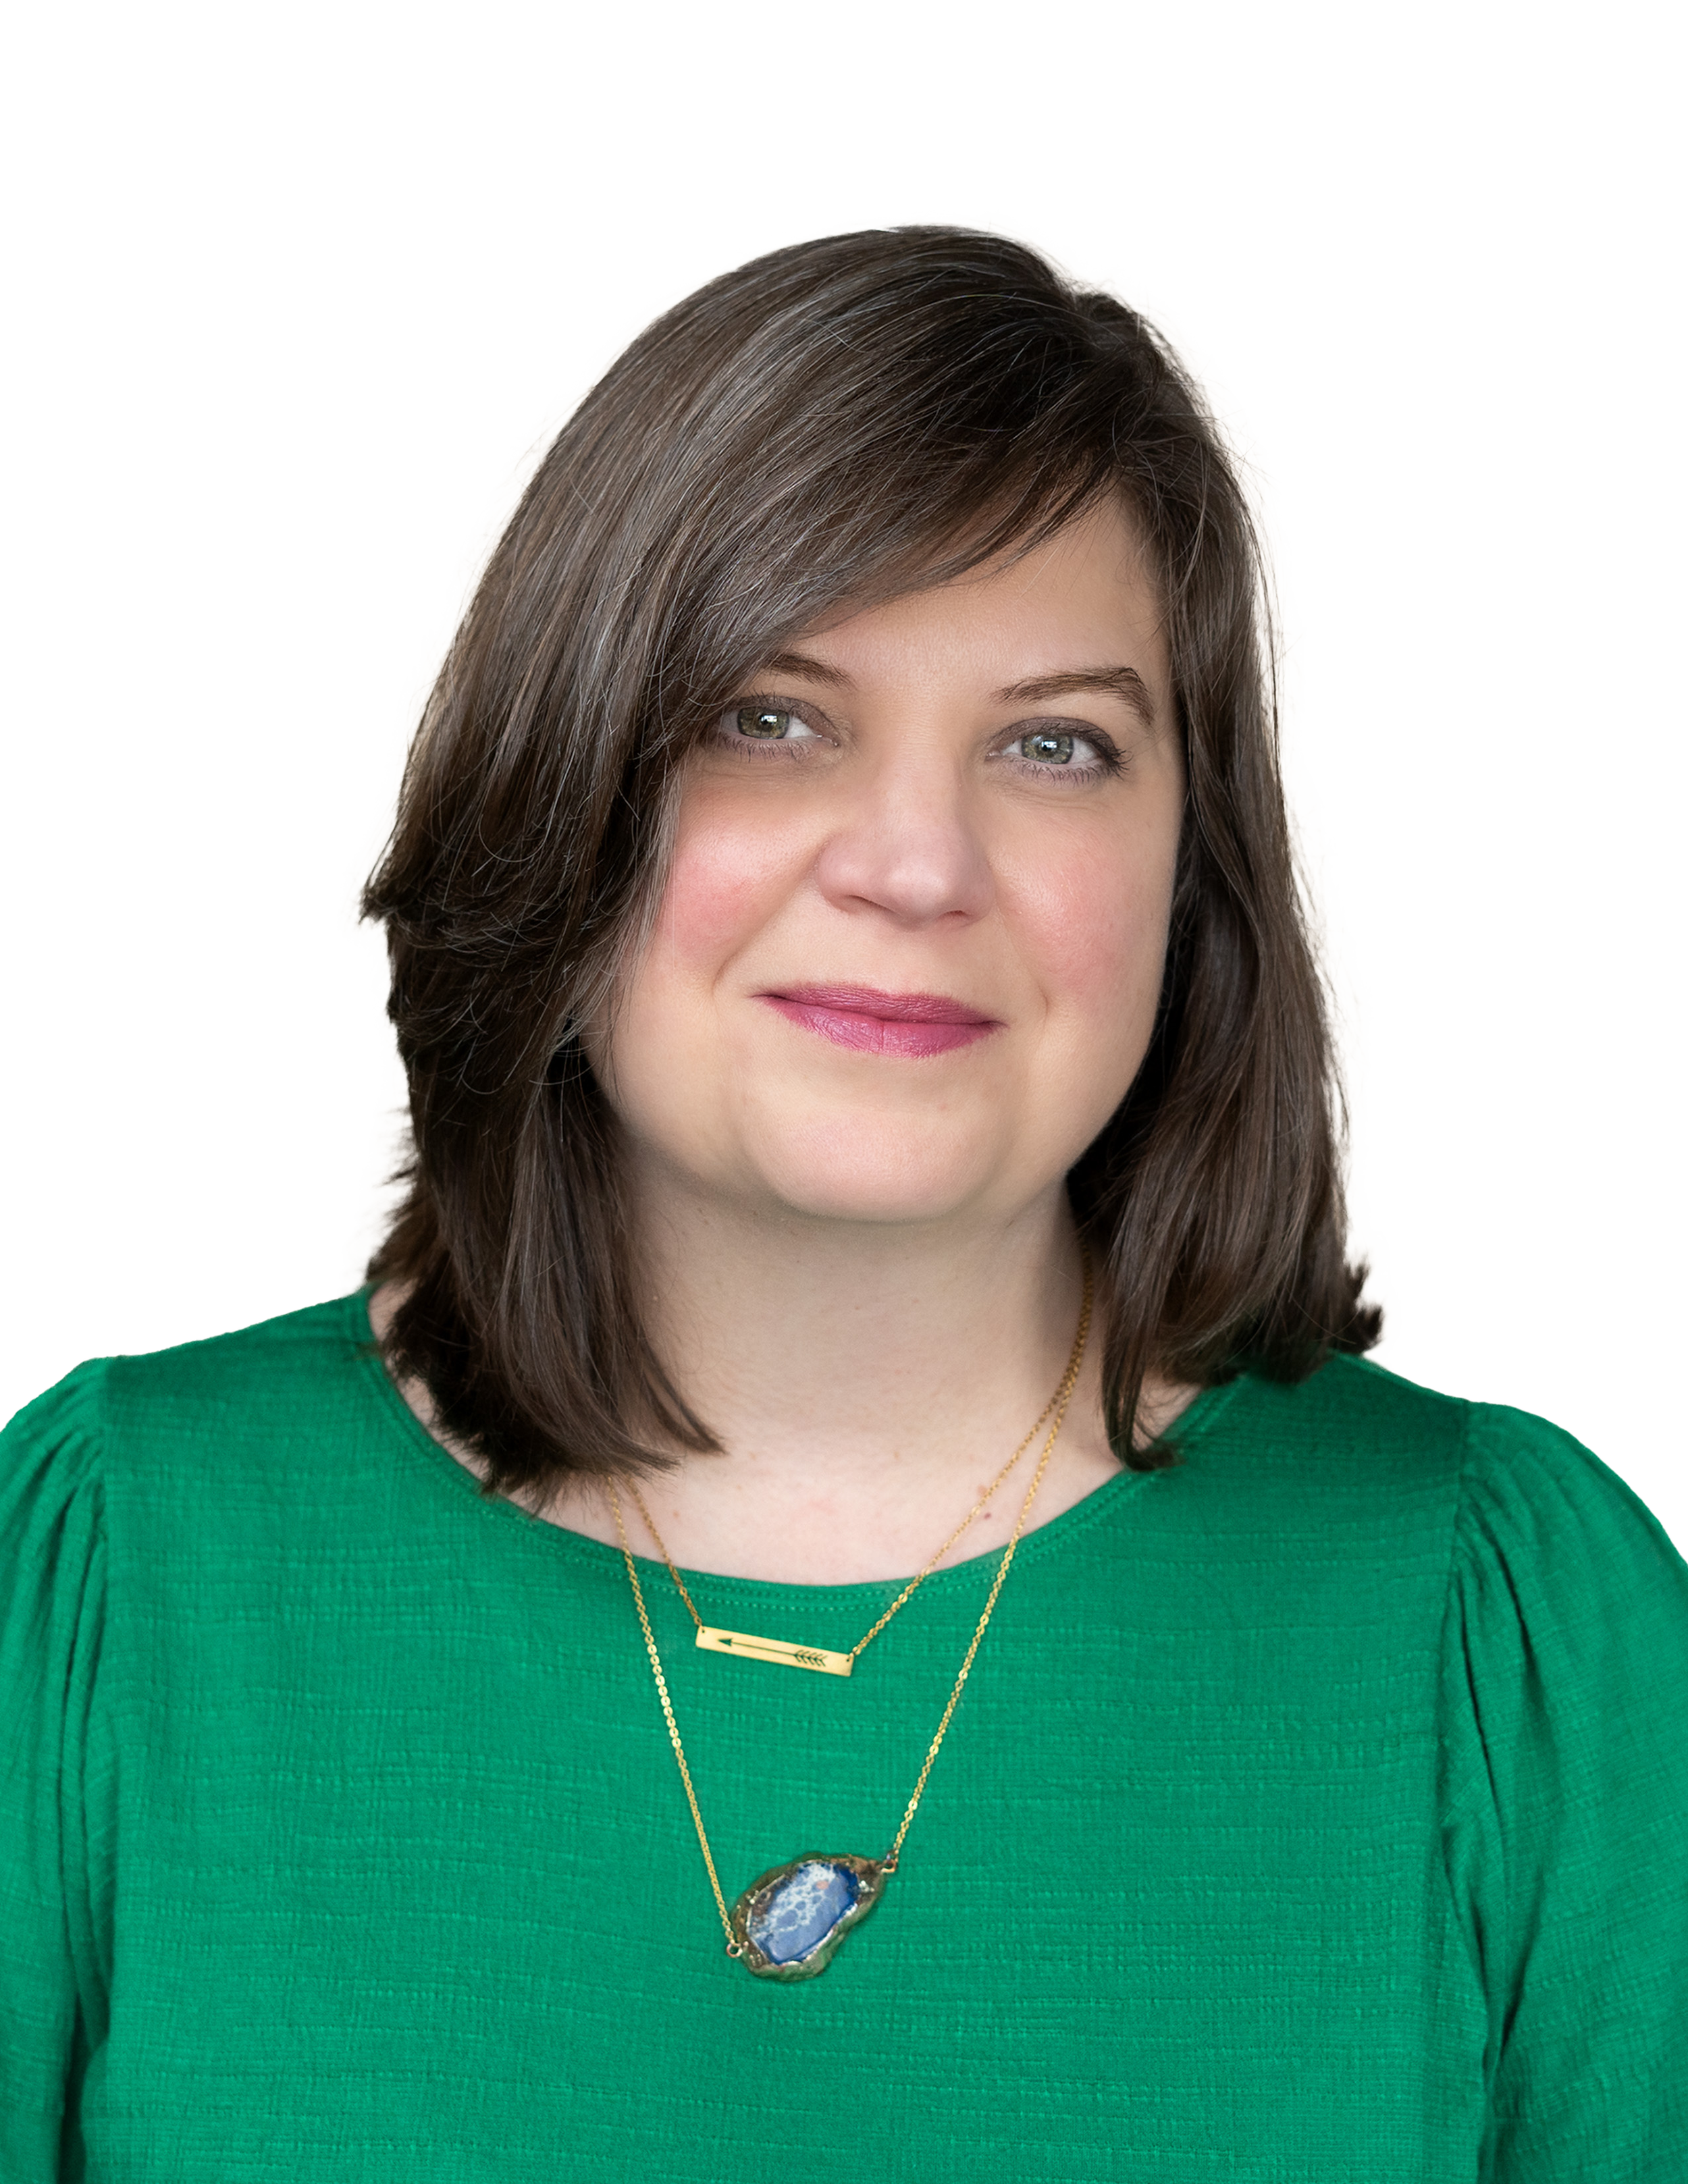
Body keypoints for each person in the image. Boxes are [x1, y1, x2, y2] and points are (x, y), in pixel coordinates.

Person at [4, 221, 1683, 2183]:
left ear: (1188, 877)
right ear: (560, 782)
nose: (913, 862)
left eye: (1054, 745)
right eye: (769, 716)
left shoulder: (1514, 1636)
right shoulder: (102, 1576)